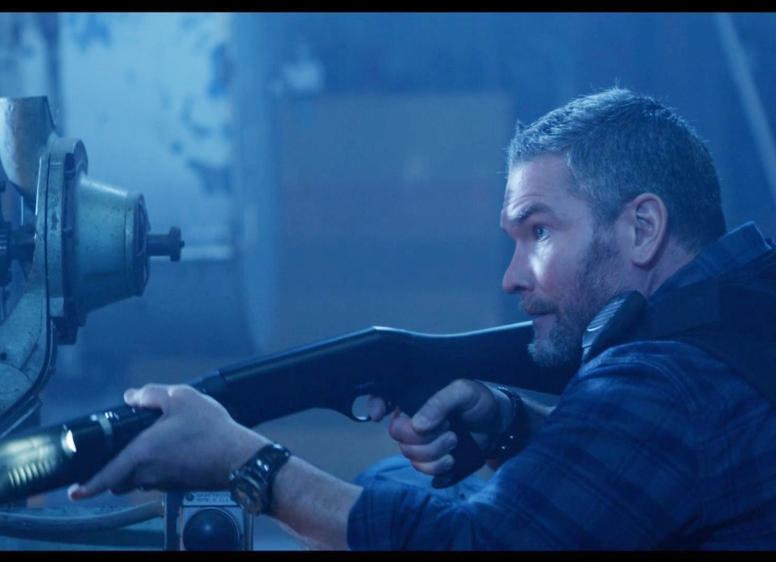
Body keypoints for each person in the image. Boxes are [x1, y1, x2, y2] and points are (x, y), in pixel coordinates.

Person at [69, 88, 776, 549]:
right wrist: (513, 425)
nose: (511, 278)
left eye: (539, 231)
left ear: (643, 228)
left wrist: (246, 463)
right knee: (392, 481)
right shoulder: (742, 315)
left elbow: (477, 546)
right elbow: (659, 464)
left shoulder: (662, 380)